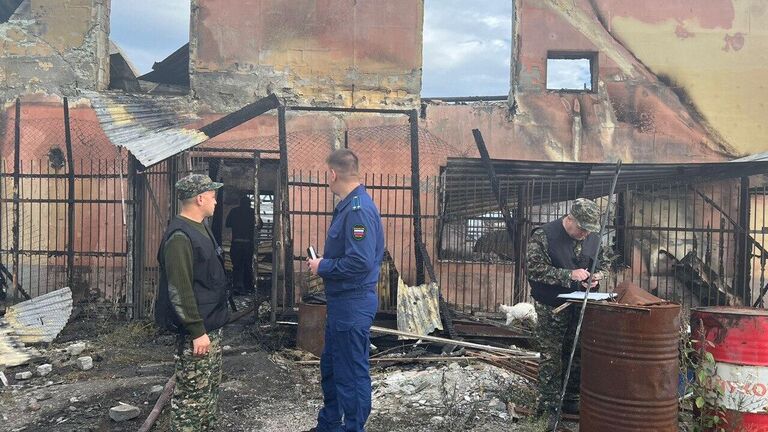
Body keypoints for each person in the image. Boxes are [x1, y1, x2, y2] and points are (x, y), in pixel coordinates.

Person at [305, 149, 384, 432]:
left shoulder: (358, 209)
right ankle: (329, 424)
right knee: (333, 367)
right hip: (342, 303)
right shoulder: (348, 206)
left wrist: (322, 266)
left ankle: (353, 428)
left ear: (333, 174)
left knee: (350, 371)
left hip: (353, 302)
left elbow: (359, 262)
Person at [154, 174, 230, 432]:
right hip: (197, 333)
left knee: (207, 394)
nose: (215, 201)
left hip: (210, 326)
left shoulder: (200, 227)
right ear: (200, 198)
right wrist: (197, 331)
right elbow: (180, 288)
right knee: (191, 401)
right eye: (212, 195)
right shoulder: (180, 236)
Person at [525, 198, 610, 426]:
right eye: (581, 229)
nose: (584, 234)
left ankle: (571, 398)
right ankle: (548, 407)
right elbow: (534, 269)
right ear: (569, 219)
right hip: (551, 305)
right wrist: (569, 275)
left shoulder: (591, 236)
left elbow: (603, 264)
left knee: (578, 351)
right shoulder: (544, 235)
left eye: (589, 231)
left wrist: (596, 277)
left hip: (580, 304)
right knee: (553, 356)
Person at [226, 195, 261, 294]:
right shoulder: (252, 212)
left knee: (236, 266)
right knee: (247, 266)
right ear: (249, 203)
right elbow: (260, 225)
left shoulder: (234, 211)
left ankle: (237, 287)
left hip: (236, 242)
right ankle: (248, 287)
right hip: (247, 243)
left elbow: (227, 224)